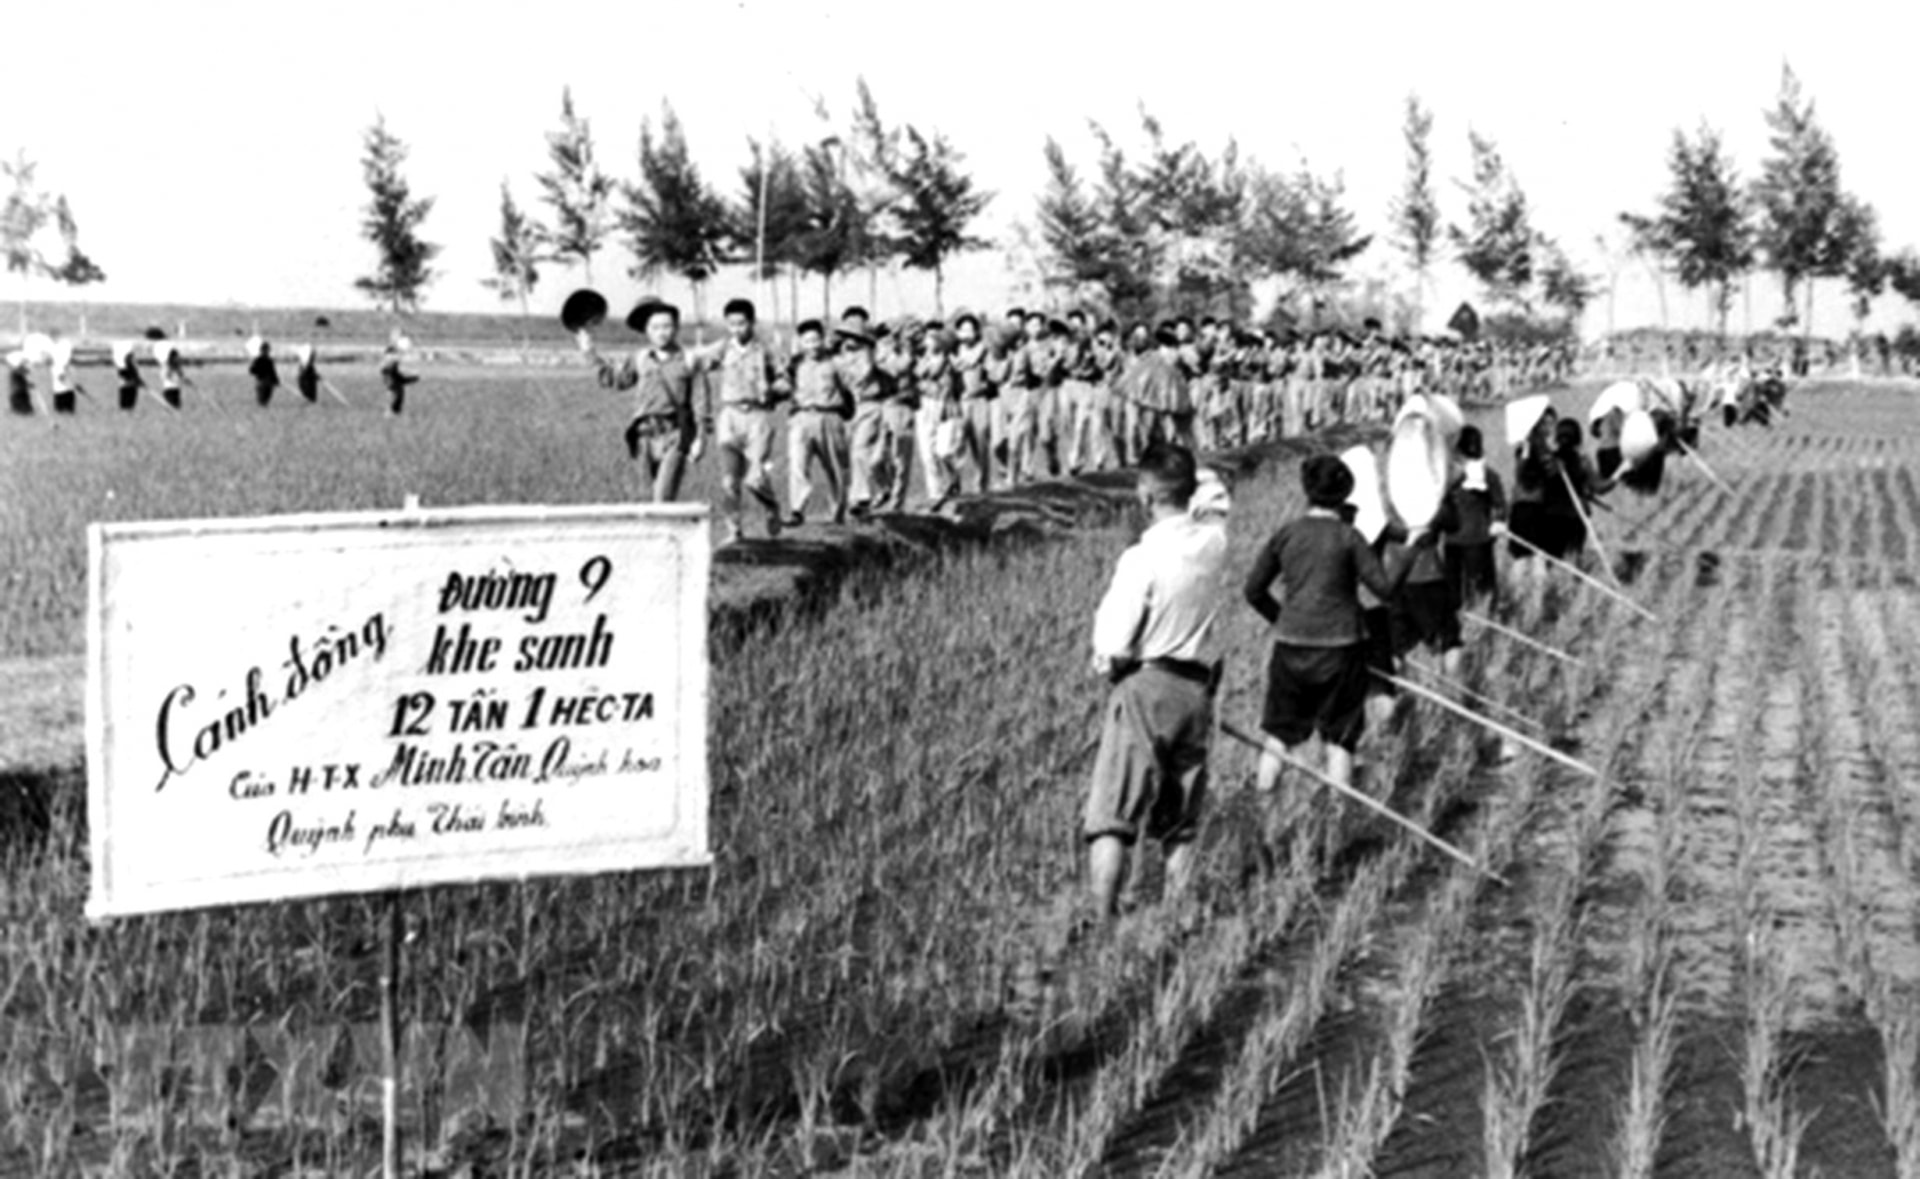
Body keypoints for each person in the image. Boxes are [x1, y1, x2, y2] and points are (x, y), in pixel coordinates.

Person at [1082, 442, 1229, 921]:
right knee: (1179, 819)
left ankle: (1101, 922)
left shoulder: (1140, 559)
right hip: (1196, 691)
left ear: (1145, 494)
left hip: (1147, 687)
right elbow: (1213, 501)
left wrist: (1111, 670)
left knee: (1113, 816)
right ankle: (1179, 915)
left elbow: (1113, 644)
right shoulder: (1215, 544)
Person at [1243, 454, 1426, 801]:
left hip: (1291, 647)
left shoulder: (1286, 535)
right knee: (1340, 740)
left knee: (1279, 736)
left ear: (1307, 490)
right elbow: (1384, 590)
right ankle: (1337, 820)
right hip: (1343, 649)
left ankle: (1263, 808)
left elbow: (1253, 590)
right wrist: (1410, 550)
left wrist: (1282, 618)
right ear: (1345, 494)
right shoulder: (1349, 537)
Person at [688, 297, 787, 543]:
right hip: (729, 417)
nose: (737, 329)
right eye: (731, 324)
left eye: (741, 324)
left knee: (755, 478)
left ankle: (772, 507)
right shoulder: (723, 348)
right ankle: (734, 530)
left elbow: (786, 382)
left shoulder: (766, 350)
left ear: (752, 323)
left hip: (757, 416)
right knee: (729, 480)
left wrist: (773, 389)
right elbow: (695, 362)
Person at [609, 301, 702, 503]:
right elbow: (617, 381)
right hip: (644, 435)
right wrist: (590, 353)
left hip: (675, 434)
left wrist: (699, 439)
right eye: (656, 328)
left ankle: (666, 532)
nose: (662, 333)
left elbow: (701, 402)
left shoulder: (689, 359)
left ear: (676, 328)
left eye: (667, 327)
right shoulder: (641, 358)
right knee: (643, 498)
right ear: (647, 331)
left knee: (663, 496)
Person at [785, 319, 851, 525]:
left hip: (829, 417)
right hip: (802, 417)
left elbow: (850, 390)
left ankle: (838, 511)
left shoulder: (836, 364)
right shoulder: (795, 364)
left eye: (816, 340)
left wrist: (847, 414)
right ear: (801, 342)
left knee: (836, 467)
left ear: (823, 340)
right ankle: (797, 510)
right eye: (807, 341)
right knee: (797, 463)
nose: (812, 345)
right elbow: (785, 386)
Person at [838, 322, 896, 518]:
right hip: (852, 408)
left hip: (871, 406)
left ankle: (861, 497)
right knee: (861, 455)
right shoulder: (846, 355)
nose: (848, 341)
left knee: (860, 450)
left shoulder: (867, 355)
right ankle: (882, 487)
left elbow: (864, 374)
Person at [1445, 426, 1507, 610]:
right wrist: (1498, 522)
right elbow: (1500, 504)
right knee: (1482, 587)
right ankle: (1482, 617)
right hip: (1476, 538)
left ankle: (1465, 620)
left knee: (1456, 588)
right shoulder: (1487, 474)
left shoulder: (1450, 476)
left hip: (1456, 538)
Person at [380, 333, 420, 415]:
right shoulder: (391, 353)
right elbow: (389, 364)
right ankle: (391, 411)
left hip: (391, 375)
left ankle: (393, 411)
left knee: (398, 391)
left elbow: (399, 375)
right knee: (396, 391)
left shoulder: (393, 353)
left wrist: (412, 377)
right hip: (389, 375)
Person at [48, 336, 79, 414]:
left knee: (69, 413)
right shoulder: (58, 363)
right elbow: (61, 377)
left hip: (67, 391)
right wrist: (72, 385)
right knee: (64, 412)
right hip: (62, 393)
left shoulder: (65, 364)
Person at [248, 338, 281, 408]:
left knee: (267, 397)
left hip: (269, 382)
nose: (266, 351)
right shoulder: (257, 360)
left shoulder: (270, 360)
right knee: (261, 398)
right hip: (261, 382)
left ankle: (264, 405)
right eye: (265, 350)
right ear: (261, 350)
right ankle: (262, 406)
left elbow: (273, 371)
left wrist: (276, 380)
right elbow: (251, 371)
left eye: (268, 350)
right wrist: (259, 371)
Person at [113, 342, 144, 411]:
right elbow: (126, 375)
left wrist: (138, 380)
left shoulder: (129, 364)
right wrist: (136, 380)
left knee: (128, 407)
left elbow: (134, 375)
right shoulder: (125, 364)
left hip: (129, 386)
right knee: (127, 407)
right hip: (127, 387)